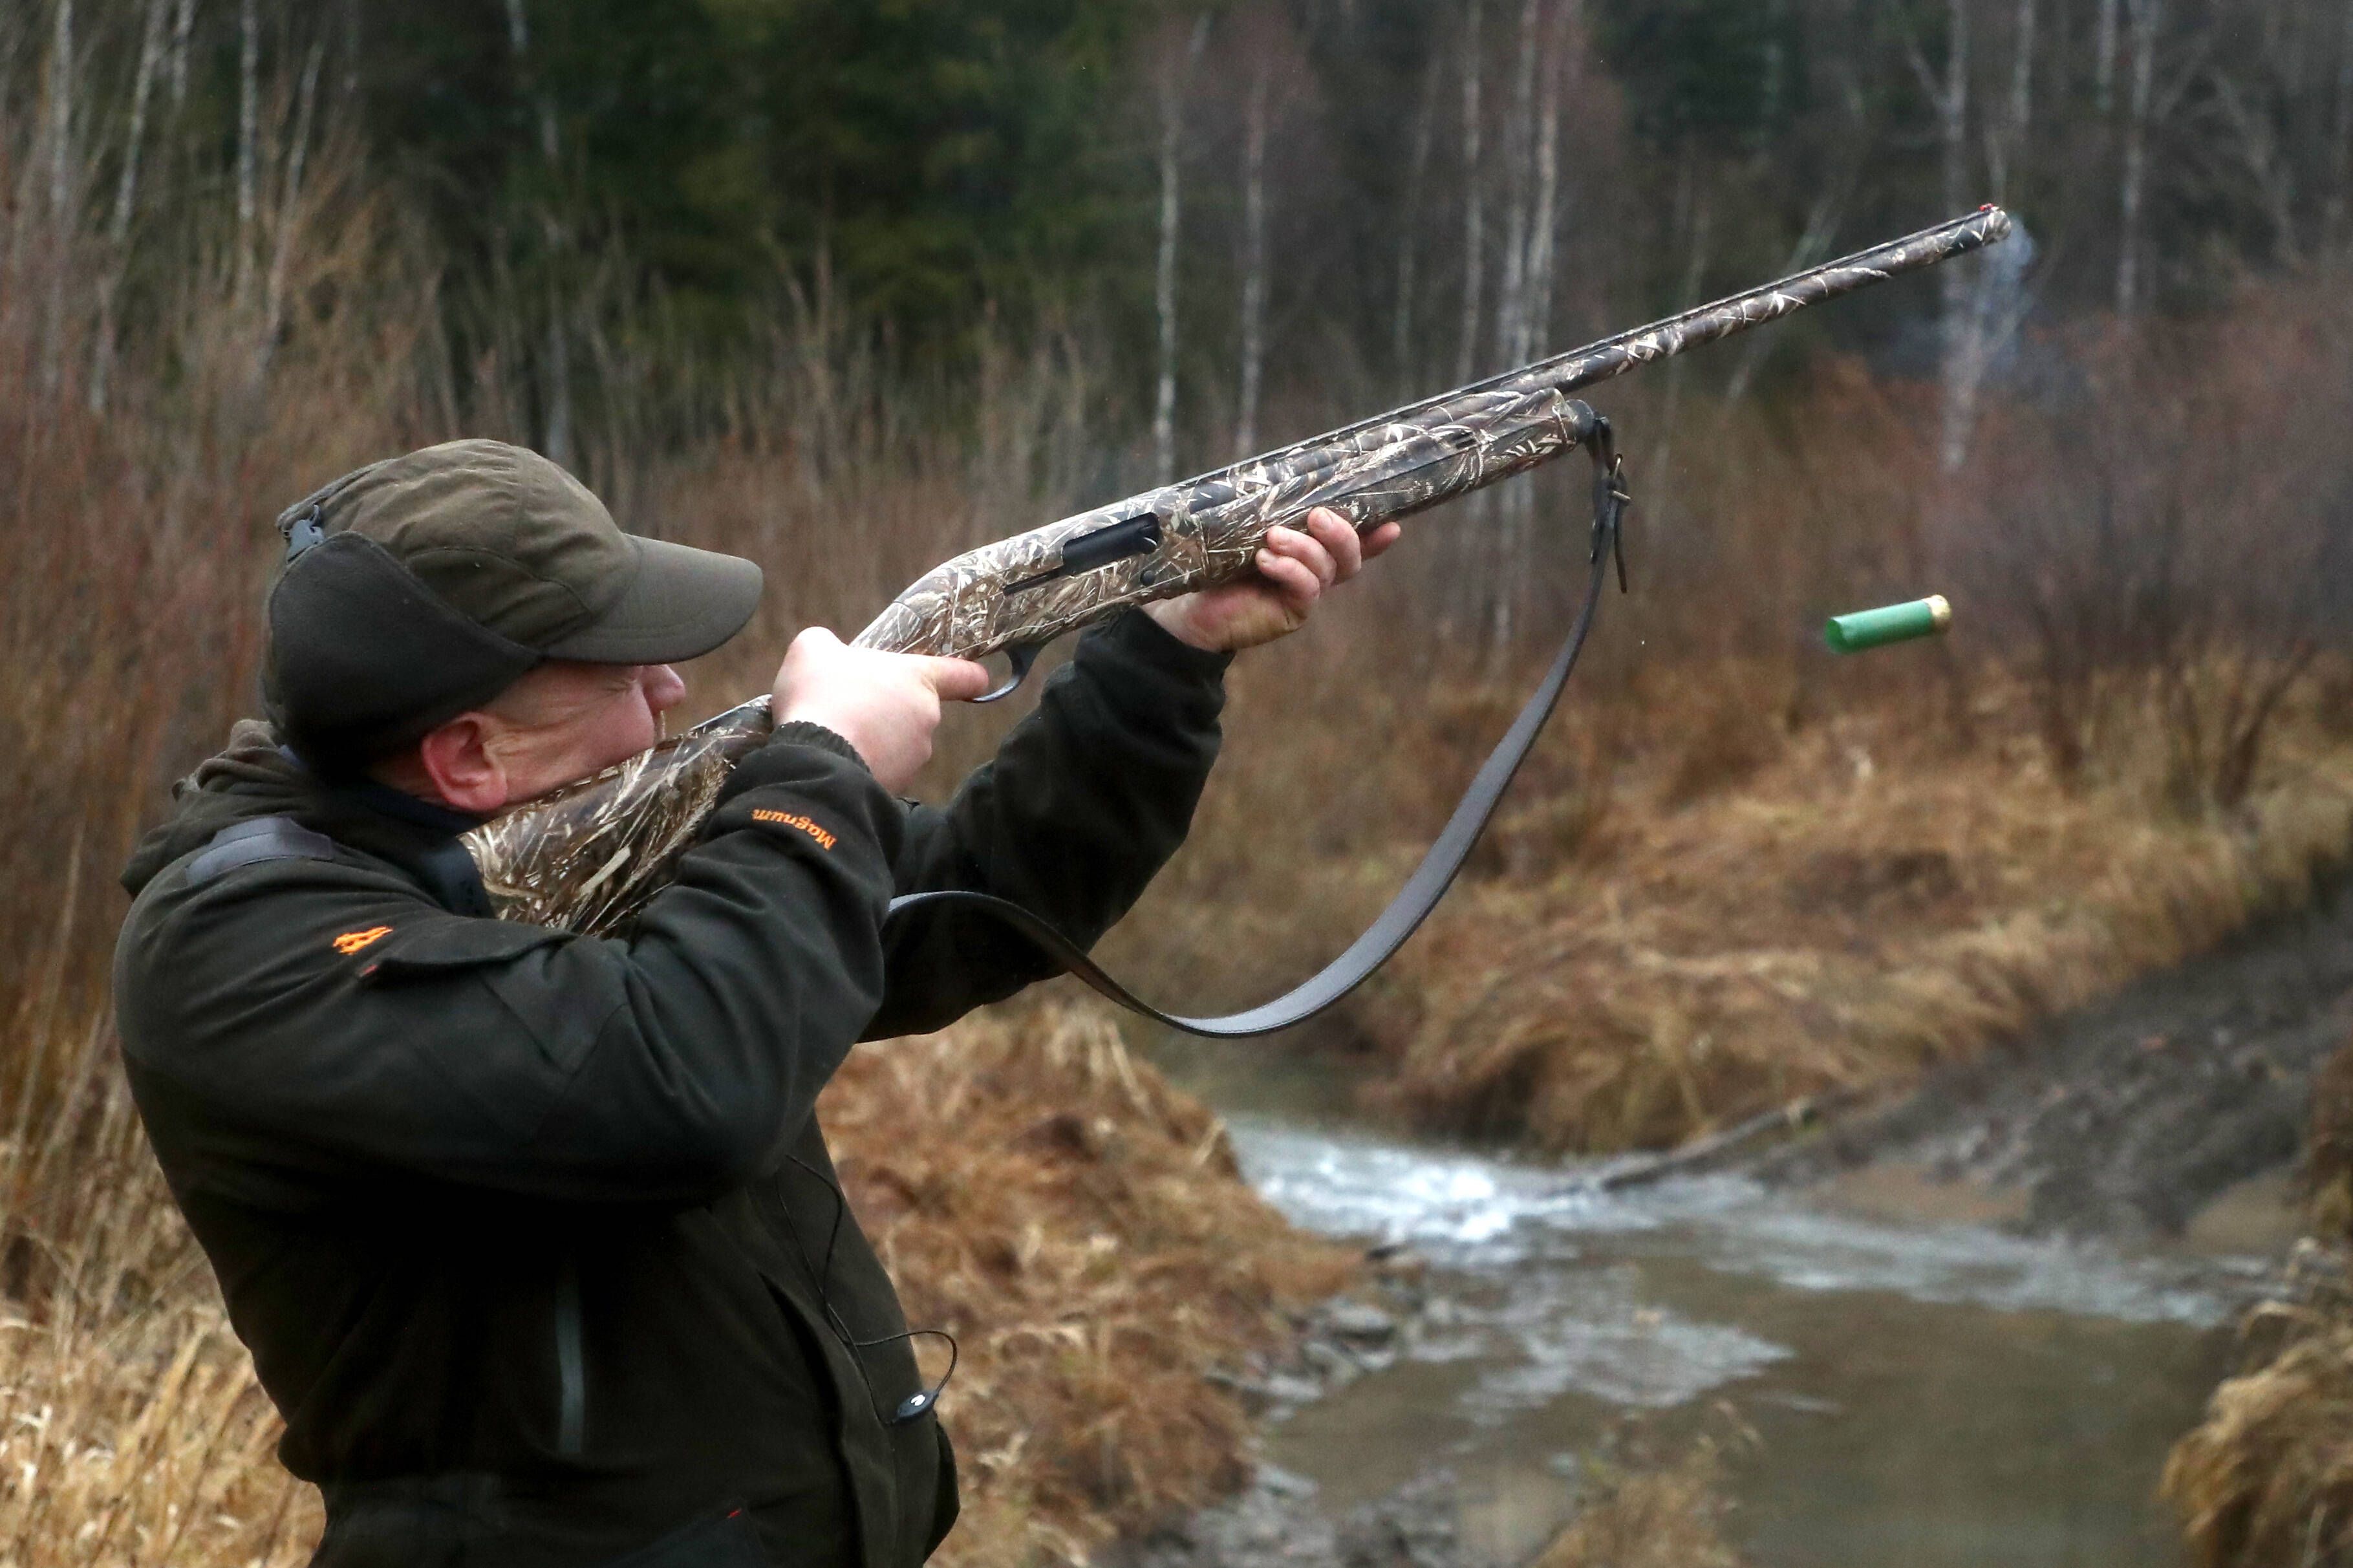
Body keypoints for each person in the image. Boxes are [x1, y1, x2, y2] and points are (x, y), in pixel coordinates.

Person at [113, 438, 1397, 1568]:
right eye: (617, 673)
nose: (670, 692)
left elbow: (974, 904)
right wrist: (817, 772)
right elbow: (681, 1085)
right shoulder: (242, 953)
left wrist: (1164, 653)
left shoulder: (571, 855)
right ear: (468, 754)